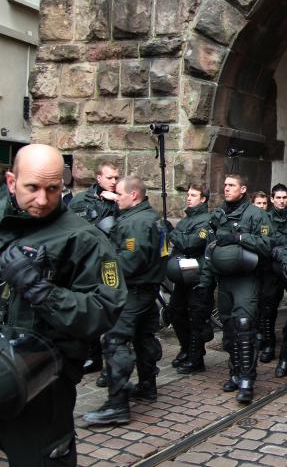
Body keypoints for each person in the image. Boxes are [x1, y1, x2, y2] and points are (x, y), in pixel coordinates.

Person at [0, 144, 126, 466]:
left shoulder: (84, 239)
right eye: (32, 188)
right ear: (12, 182)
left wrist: (40, 290)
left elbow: (105, 307)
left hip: (41, 382)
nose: (42, 199)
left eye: (52, 189)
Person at [83, 175, 168, 426]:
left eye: (119, 194)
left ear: (133, 195)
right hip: (147, 289)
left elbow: (129, 262)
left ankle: (117, 405)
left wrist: (101, 272)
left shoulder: (136, 223)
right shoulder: (152, 218)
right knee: (144, 338)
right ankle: (147, 385)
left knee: (115, 341)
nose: (116, 198)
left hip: (133, 291)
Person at [200, 174, 274, 403]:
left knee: (244, 326)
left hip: (246, 279)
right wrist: (205, 282)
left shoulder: (256, 215)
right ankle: (234, 371)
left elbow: (267, 245)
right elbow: (209, 249)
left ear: (243, 189)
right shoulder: (218, 215)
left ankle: (246, 379)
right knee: (230, 329)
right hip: (225, 281)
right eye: (224, 185)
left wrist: (240, 237)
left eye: (231, 185)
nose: (226, 189)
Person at [68, 160, 119, 376]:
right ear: (99, 178)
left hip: (110, 264)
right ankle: (92, 355)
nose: (114, 182)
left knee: (110, 311)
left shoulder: (121, 199)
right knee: (86, 309)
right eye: (110, 178)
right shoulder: (80, 201)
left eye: (117, 178)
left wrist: (117, 201)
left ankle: (111, 364)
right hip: (85, 264)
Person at [167, 183, 213, 374]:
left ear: (203, 199)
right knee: (175, 312)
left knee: (196, 317)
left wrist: (172, 232)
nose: (189, 198)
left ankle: (196, 358)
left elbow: (190, 244)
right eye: (188, 194)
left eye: (193, 195)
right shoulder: (186, 220)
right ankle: (186, 348)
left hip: (198, 274)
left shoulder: (207, 220)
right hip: (183, 274)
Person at [262, 184, 287, 373]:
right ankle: (269, 344)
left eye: (284, 197)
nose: (281, 200)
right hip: (271, 269)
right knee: (268, 307)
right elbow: (264, 242)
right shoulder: (265, 218)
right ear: (272, 199)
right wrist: (274, 250)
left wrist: (286, 253)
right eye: (278, 197)